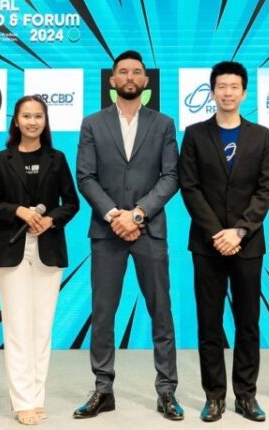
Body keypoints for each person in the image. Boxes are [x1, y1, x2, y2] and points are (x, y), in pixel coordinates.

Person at [74, 50, 182, 420]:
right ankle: (103, 389)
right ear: (112, 79)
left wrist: (136, 215)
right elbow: (85, 176)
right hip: (106, 233)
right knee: (104, 313)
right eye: (123, 72)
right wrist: (113, 215)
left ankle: (166, 390)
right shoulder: (93, 123)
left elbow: (171, 176)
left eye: (137, 72)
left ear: (146, 81)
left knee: (161, 312)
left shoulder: (163, 124)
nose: (130, 77)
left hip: (149, 230)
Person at [179, 61, 269, 422]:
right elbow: (189, 187)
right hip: (207, 245)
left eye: (234, 87)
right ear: (212, 91)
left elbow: (266, 189)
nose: (228, 92)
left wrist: (239, 231)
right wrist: (217, 233)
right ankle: (214, 396)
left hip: (247, 245)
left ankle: (246, 395)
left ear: (244, 92)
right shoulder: (194, 134)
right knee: (209, 322)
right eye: (221, 86)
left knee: (248, 322)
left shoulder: (261, 135)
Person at [0, 95, 79, 425]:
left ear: (45, 121)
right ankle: (22, 400)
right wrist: (18, 211)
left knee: (41, 329)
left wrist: (51, 220)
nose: (32, 122)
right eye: (26, 116)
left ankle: (36, 397)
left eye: (38, 116)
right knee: (17, 327)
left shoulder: (57, 158)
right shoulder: (2, 159)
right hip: (12, 250)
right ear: (16, 121)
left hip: (48, 250)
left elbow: (72, 203)